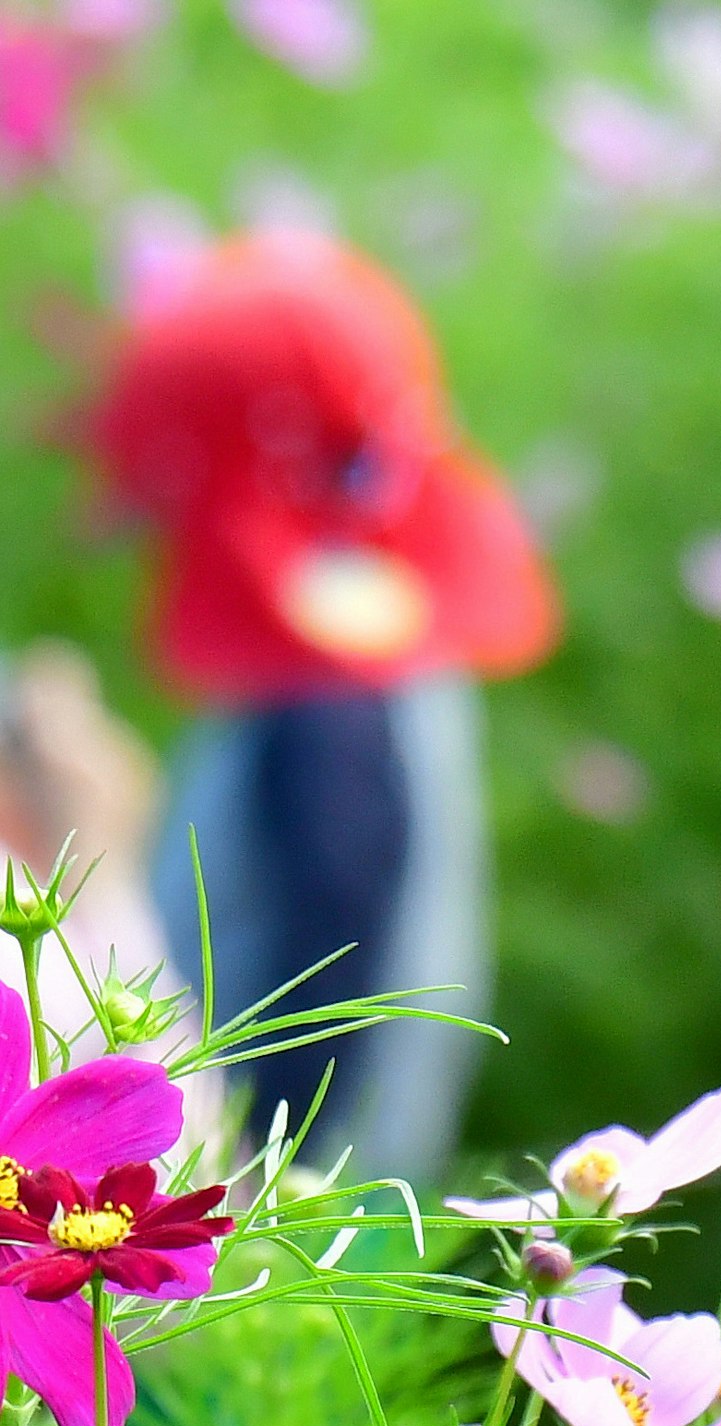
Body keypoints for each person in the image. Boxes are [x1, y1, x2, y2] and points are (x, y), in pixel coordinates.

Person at [93, 234, 558, 1179]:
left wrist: (254, 1161)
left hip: (291, 1198)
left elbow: (333, 934)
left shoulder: (329, 695)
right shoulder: (360, 665)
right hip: (340, 1172)